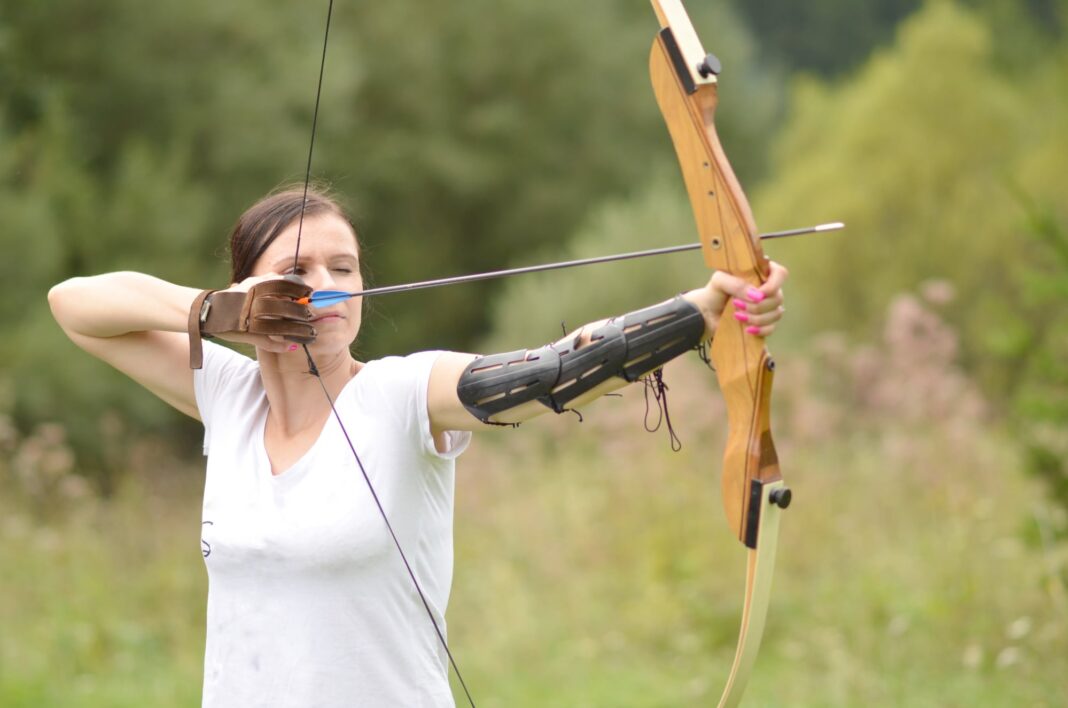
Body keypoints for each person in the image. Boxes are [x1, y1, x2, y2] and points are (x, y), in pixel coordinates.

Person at [47, 186, 788, 707]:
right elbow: (74, 307)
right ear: (248, 289)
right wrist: (212, 312)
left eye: (344, 268)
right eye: (296, 272)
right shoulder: (229, 396)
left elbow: (548, 374)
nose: (327, 286)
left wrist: (703, 309)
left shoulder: (405, 393)